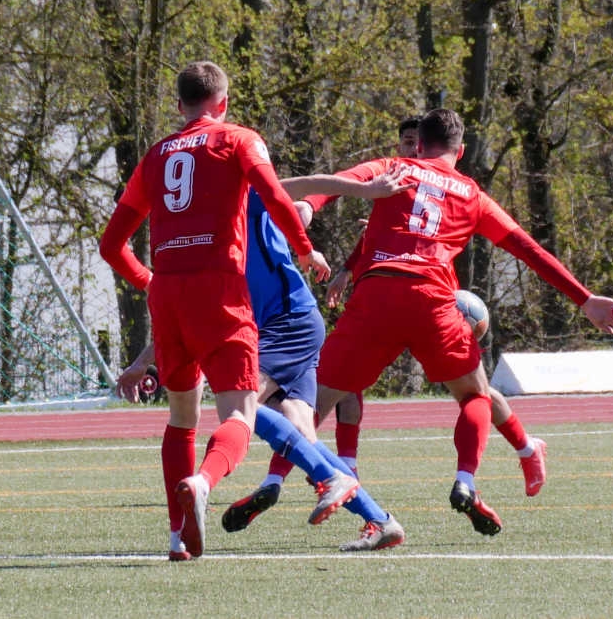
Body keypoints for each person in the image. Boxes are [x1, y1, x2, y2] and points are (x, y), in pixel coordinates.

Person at [99, 61, 405, 561]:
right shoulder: (237, 149)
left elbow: (113, 245)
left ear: (178, 107)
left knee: (189, 418)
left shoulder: (157, 159)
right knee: (262, 419)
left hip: (243, 310)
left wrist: (151, 284)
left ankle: (179, 533)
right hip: (227, 300)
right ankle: (366, 511)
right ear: (223, 104)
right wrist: (308, 249)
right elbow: (285, 194)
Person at [303, 108, 613, 536]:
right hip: (434, 305)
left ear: (419, 144)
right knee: (475, 395)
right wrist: (584, 298)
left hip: (378, 298)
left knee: (310, 405)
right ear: (461, 150)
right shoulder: (471, 194)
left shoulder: (395, 169)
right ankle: (467, 479)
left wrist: (306, 207)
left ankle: (284, 480)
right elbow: (528, 249)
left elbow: (337, 181)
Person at [117, 189, 407, 551]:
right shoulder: (203, 242)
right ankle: (380, 519)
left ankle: (215, 482)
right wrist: (143, 361)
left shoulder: (237, 202)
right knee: (302, 435)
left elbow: (292, 190)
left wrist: (350, 191)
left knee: (242, 406)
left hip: (288, 323)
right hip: (291, 324)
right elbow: (192, 316)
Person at [306, 116, 548, 496]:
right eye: (404, 140)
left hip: (430, 294)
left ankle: (525, 445)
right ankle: (343, 466)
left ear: (424, 145)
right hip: (383, 292)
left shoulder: (413, 177)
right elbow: (375, 236)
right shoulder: (391, 176)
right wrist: (348, 271)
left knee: (476, 389)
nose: (408, 146)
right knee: (345, 383)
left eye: (413, 140)